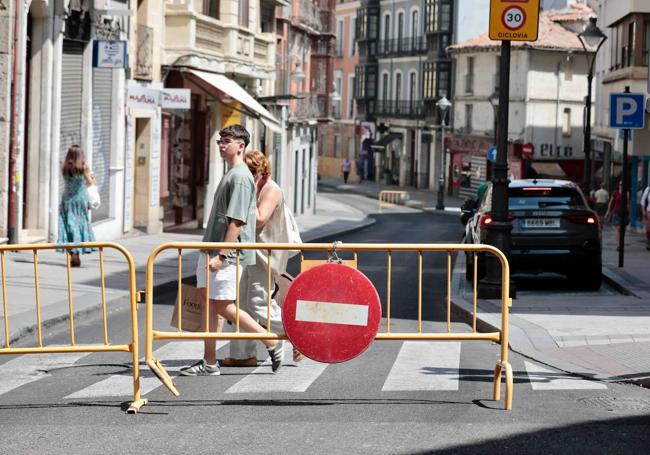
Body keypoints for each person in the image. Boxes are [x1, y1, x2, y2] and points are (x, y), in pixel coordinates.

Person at [180, 124, 283, 376]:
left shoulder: (239, 176)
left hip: (225, 254)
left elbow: (237, 220)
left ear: (241, 145)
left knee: (224, 306)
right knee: (209, 306)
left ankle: (271, 340)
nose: (222, 144)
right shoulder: (231, 174)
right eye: (220, 140)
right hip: (211, 249)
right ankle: (209, 362)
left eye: (227, 140)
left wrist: (222, 254)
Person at [222, 150, 302, 367]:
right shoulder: (253, 186)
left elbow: (259, 219)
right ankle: (242, 355)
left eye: (250, 172)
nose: (246, 176)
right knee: (242, 304)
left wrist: (239, 201)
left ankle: (296, 335)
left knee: (259, 302)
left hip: (266, 253)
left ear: (260, 171)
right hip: (248, 250)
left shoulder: (271, 189)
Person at [57, 145, 96, 267]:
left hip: (67, 200)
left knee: (69, 225)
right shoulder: (83, 167)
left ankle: (73, 254)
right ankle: (76, 254)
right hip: (80, 200)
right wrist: (90, 175)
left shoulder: (63, 167)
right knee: (80, 224)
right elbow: (90, 182)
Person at [605, 181, 630, 251]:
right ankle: (619, 245)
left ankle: (621, 242)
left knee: (623, 230)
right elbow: (611, 202)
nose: (621, 185)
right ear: (618, 185)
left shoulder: (627, 193)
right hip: (616, 212)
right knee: (618, 228)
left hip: (624, 213)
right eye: (620, 184)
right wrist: (608, 211)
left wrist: (629, 212)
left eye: (622, 184)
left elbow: (628, 203)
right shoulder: (615, 193)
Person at [641, 184, 650, 251]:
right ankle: (648, 240)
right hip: (648, 212)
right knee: (648, 230)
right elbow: (643, 202)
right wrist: (643, 211)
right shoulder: (648, 189)